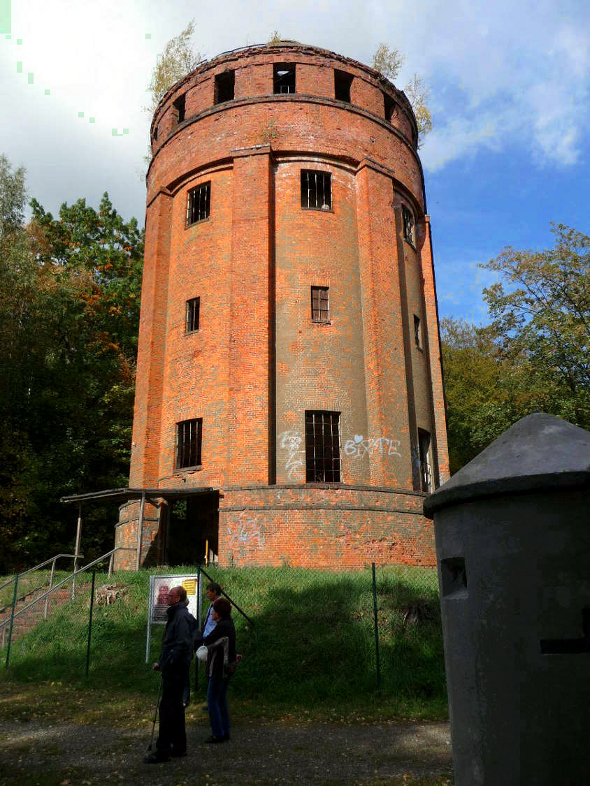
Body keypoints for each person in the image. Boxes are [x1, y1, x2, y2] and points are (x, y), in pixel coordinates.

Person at [144, 585, 196, 764]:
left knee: (167, 709)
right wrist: (163, 662)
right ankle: (179, 747)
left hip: (175, 670)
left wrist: (169, 662)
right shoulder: (178, 615)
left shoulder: (180, 617)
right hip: (175, 668)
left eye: (170, 595)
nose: (167, 597)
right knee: (176, 708)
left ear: (178, 598)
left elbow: (182, 644)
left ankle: (163, 750)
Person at [202, 597, 236, 744]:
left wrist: (198, 638)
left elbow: (209, 642)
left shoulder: (222, 627)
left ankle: (217, 733)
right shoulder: (228, 623)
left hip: (218, 668)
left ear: (219, 613)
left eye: (213, 612)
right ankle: (225, 730)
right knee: (221, 699)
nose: (211, 614)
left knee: (212, 700)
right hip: (227, 667)